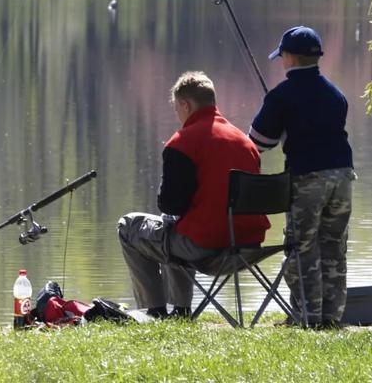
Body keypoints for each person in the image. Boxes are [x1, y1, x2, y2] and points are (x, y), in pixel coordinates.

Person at [117, 71, 269, 318]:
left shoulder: (182, 142)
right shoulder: (246, 143)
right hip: (248, 245)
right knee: (174, 228)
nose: (178, 115)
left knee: (130, 226)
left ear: (186, 105)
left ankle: (153, 311)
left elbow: (170, 203)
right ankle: (180, 310)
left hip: (206, 248)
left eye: (177, 108)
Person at [249, 25, 355, 329]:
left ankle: (306, 318)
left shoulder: (282, 95)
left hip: (308, 178)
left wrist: (277, 120)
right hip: (344, 177)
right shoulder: (337, 95)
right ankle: (331, 318)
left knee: (301, 249)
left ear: (290, 57)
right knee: (334, 247)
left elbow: (259, 142)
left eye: (282, 56)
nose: (281, 61)